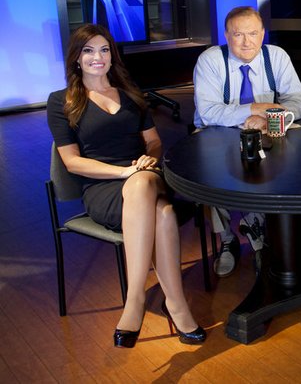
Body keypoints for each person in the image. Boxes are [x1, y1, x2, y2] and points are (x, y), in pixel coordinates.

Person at [46, 24, 206, 348]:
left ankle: (134, 303)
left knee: (144, 182)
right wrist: (123, 174)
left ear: (112, 55)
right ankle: (175, 305)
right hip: (103, 187)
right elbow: (73, 163)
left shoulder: (131, 94)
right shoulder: (60, 102)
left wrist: (148, 160)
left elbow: (154, 142)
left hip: (145, 177)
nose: (97, 57)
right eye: (88, 50)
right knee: (164, 215)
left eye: (104, 50)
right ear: (76, 58)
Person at [193, 5, 301, 276]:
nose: (246, 42)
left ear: (263, 33)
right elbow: (209, 113)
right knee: (212, 172)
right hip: (216, 132)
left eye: (253, 34)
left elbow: (299, 100)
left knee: (278, 165)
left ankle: (259, 234)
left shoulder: (276, 56)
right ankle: (228, 239)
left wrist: (267, 119)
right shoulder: (210, 60)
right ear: (226, 35)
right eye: (238, 35)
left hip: (265, 130)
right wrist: (257, 109)